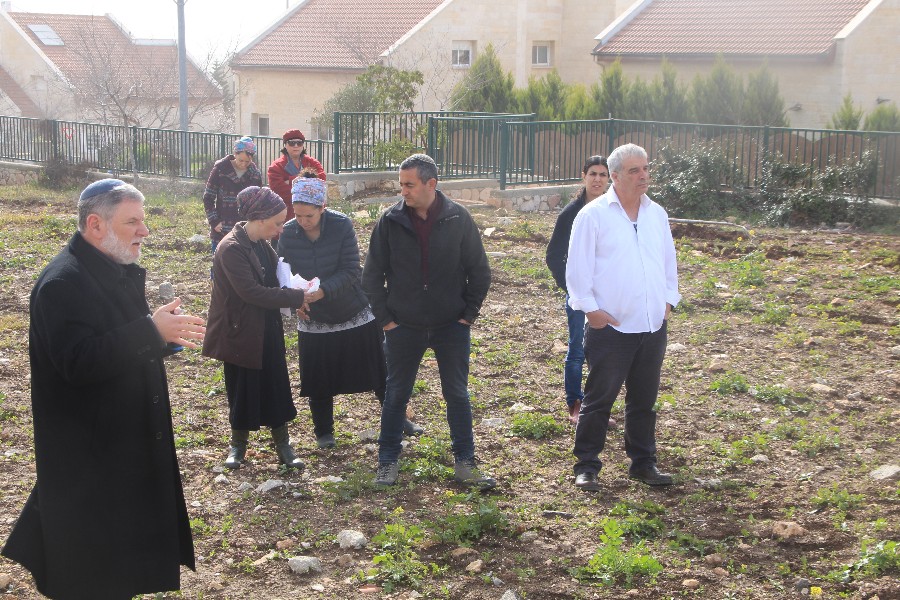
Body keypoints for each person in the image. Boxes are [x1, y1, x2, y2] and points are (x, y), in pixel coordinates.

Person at [2, 179, 206, 599]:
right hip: (89, 453)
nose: (144, 231)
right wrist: (149, 330)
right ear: (95, 225)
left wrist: (160, 338)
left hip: (119, 445)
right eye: (133, 222)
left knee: (120, 561)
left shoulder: (109, 270)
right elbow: (77, 361)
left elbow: (113, 341)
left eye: (143, 221)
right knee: (91, 566)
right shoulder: (63, 283)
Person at [362, 153, 495, 489]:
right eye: (401, 184)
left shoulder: (458, 218)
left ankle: (465, 462)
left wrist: (468, 315)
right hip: (403, 326)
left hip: (451, 326)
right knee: (396, 395)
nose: (402, 191)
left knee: (457, 394)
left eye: (409, 184)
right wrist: (386, 320)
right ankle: (387, 461)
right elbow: (371, 275)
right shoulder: (390, 222)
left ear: (431, 184)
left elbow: (479, 270)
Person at [277, 173, 423, 449]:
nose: (303, 221)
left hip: (351, 309)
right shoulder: (288, 232)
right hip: (313, 316)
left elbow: (351, 269)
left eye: (309, 215)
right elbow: (284, 272)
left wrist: (324, 291)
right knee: (318, 377)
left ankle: (399, 420)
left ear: (322, 208)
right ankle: (324, 432)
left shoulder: (341, 225)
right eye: (298, 215)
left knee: (379, 371)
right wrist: (296, 300)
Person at [566, 143, 681, 492]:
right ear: (615, 176)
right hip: (611, 328)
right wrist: (593, 312)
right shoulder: (593, 215)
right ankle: (586, 465)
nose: (643, 175)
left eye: (646, 168)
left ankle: (643, 463)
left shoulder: (656, 214)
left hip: (651, 326)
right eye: (634, 170)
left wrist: (668, 302)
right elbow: (577, 270)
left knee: (643, 401)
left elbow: (668, 263)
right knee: (599, 400)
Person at [202, 186, 318, 470]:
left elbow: (276, 278)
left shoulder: (260, 244)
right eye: (277, 222)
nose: (281, 229)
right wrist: (296, 297)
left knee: (275, 384)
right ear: (260, 217)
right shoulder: (231, 248)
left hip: (265, 326)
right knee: (241, 388)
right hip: (239, 330)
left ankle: (283, 445)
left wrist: (295, 290)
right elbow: (251, 292)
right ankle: (237, 445)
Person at [545, 155, 610, 424]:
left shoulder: (613, 210)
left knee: (605, 352)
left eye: (603, 175)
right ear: (584, 176)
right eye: (593, 174)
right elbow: (554, 255)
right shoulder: (571, 214)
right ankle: (575, 404)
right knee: (577, 350)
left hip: (607, 294)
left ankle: (596, 407)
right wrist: (572, 288)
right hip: (580, 297)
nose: (597, 179)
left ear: (610, 179)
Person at [202, 136, 263, 250]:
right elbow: (208, 197)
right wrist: (214, 221)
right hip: (222, 229)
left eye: (247, 161)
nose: (244, 164)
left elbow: (258, 202)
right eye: (241, 160)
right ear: (235, 154)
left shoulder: (255, 174)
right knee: (220, 264)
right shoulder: (220, 169)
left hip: (245, 230)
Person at [267, 129, 326, 222]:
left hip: (313, 216)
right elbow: (278, 190)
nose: (296, 146)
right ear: (285, 145)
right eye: (291, 143)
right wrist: (308, 182)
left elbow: (321, 180)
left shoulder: (313, 163)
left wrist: (290, 181)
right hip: (287, 215)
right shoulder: (276, 167)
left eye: (299, 143)